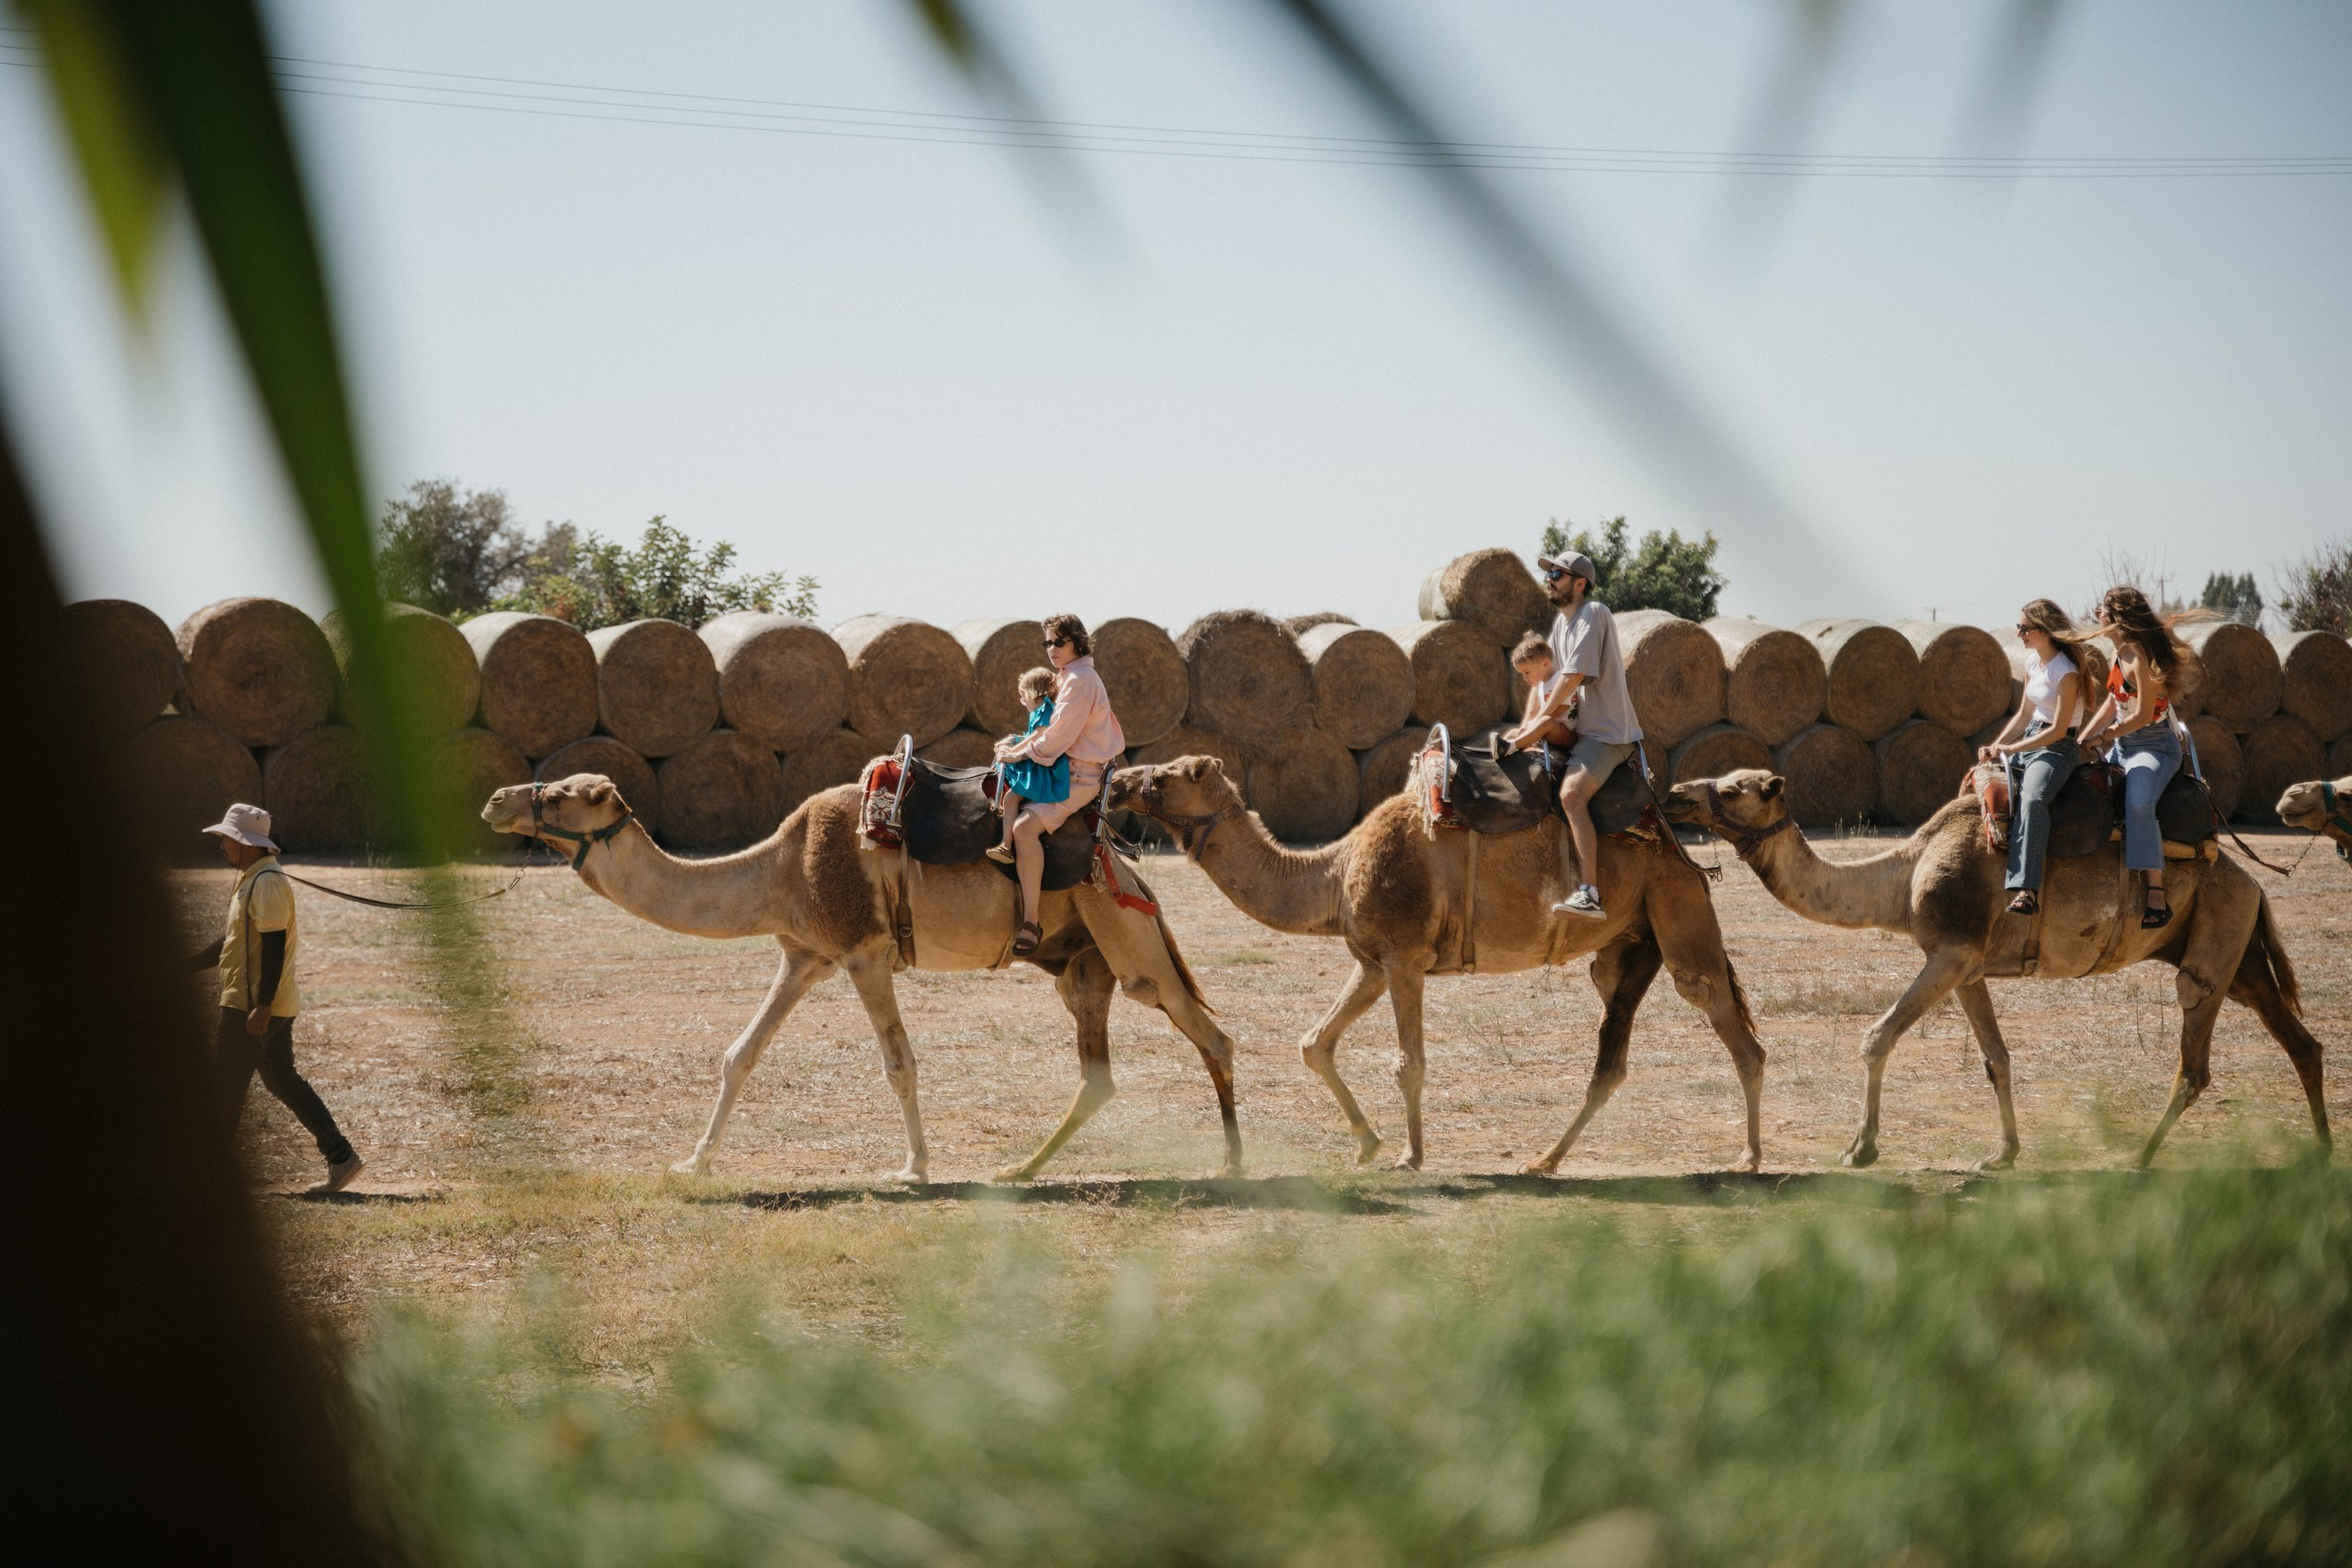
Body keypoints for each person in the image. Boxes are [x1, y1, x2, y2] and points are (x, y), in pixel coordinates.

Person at [190, 803, 363, 1191]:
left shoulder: (267, 883)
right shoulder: (254, 879)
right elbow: (232, 942)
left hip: (250, 1007)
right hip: (260, 1004)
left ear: (245, 843)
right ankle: (341, 1157)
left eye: (226, 839)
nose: (221, 847)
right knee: (282, 1081)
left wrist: (262, 1005)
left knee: (223, 1086)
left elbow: (273, 944)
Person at [993, 615, 1125, 956]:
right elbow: (1046, 732)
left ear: (1077, 643)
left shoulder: (1081, 680)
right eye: (1047, 642)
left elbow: (1057, 738)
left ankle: (1031, 921)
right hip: (1063, 768)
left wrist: (1019, 756)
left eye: (1058, 642)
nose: (1051, 649)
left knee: (1024, 828)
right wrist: (1018, 747)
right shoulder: (1068, 677)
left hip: (1079, 777)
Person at [1527, 549, 1644, 919]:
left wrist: (1543, 718)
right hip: (1581, 731)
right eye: (1549, 575)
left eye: (1557, 575)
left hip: (1607, 735)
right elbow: (1546, 677)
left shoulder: (1594, 614)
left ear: (1580, 583)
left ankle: (1590, 893)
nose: (1549, 580)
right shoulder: (1561, 625)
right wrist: (1526, 726)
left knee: (1572, 795)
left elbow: (1573, 676)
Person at [2076, 585, 2192, 930]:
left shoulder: (2140, 657)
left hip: (2155, 746)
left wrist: (2104, 737)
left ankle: (2156, 892)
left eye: (2102, 609)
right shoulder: (2118, 653)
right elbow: (2113, 702)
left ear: (2116, 617)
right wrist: (2085, 735)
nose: (2096, 614)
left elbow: (2141, 716)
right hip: (2125, 744)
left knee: (2139, 803)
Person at [1979, 599, 2098, 916]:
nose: (2019, 634)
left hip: (2056, 748)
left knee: (2032, 800)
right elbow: (2023, 714)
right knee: (1979, 780)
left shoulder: (2067, 672)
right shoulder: (2032, 664)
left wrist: (2015, 749)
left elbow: (2059, 730)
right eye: (2018, 627)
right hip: (2032, 735)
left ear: (2044, 631)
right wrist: (1996, 745)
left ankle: (2027, 890)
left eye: (2024, 628)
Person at [988, 666, 1069, 864]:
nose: (1021, 701)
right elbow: (1031, 736)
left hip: (1042, 770)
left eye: (1023, 696)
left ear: (1032, 693)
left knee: (1010, 799)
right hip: (1036, 762)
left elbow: (1037, 736)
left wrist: (1014, 752)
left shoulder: (1045, 709)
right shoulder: (1042, 710)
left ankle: (1006, 845)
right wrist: (1013, 742)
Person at [1499, 631, 1575, 753]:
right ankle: (1500, 751)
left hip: (1565, 733)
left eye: (1527, 672)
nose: (1525, 678)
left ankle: (1512, 747)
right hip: (1547, 730)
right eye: (1522, 674)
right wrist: (1529, 725)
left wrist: (1536, 723)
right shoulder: (1541, 686)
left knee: (1546, 722)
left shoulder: (1559, 679)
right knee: (1514, 732)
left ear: (1545, 663)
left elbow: (1564, 706)